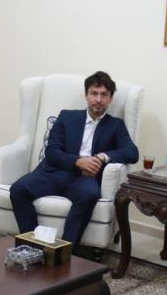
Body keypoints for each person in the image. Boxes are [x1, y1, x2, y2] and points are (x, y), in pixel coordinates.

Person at [9, 71, 139, 245]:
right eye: (94, 93)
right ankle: (32, 244)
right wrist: (78, 161)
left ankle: (66, 250)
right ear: (86, 95)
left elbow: (132, 153)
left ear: (111, 98)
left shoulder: (115, 125)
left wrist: (102, 157)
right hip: (55, 172)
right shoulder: (66, 117)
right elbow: (52, 151)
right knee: (18, 189)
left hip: (84, 179)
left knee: (90, 195)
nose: (98, 99)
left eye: (104, 95)